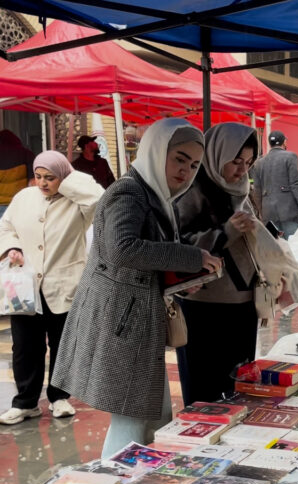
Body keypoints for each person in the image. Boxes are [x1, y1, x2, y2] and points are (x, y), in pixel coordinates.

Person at [50, 118, 222, 458]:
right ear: (158, 151)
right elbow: (122, 248)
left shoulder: (153, 191)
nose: (185, 170)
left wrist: (184, 277)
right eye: (179, 158)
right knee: (132, 421)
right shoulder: (129, 191)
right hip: (121, 321)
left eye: (194, 164)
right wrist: (191, 256)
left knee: (151, 416)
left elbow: (144, 253)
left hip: (133, 319)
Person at [0, 151, 104, 426]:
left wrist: (68, 181)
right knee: (24, 347)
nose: (43, 183)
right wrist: (12, 248)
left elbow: (101, 200)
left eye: (50, 178)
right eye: (39, 177)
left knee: (63, 345)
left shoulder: (78, 202)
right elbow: (6, 228)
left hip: (64, 284)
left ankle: (59, 397)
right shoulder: (23, 198)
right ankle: (25, 403)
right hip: (25, 285)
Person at [174, 123, 261, 406]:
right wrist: (226, 231)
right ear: (216, 154)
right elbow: (178, 245)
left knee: (239, 386)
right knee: (205, 389)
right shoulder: (190, 191)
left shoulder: (242, 191)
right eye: (236, 162)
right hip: (204, 305)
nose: (241, 171)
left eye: (248, 163)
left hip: (243, 302)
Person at [251, 130, 298, 238]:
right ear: (284, 142)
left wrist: (260, 212)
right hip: (289, 212)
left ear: (270, 143)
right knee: (293, 246)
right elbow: (295, 184)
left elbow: (257, 190)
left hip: (268, 214)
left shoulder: (259, 162)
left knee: (276, 248)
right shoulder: (290, 157)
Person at [0, 129, 36, 219]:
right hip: (22, 202)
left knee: (5, 231)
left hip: (2, 205)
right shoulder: (26, 154)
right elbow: (33, 181)